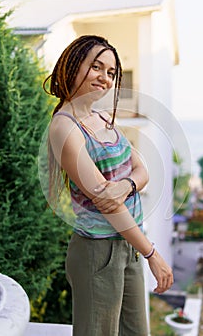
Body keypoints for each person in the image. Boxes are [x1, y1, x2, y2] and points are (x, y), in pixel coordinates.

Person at [43, 35, 173, 336]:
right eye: (96, 67)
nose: (105, 78)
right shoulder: (65, 127)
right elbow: (107, 204)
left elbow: (141, 169)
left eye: (111, 72)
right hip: (97, 252)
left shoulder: (101, 118)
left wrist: (126, 185)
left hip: (128, 245)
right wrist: (153, 254)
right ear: (73, 66)